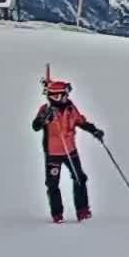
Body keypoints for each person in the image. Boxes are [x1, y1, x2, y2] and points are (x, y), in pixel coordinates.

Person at [32, 74, 105, 223]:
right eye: (64, 94)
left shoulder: (70, 108)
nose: (67, 97)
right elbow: (35, 126)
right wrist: (43, 119)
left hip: (70, 151)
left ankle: (82, 210)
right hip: (53, 153)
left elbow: (80, 121)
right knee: (52, 184)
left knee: (80, 178)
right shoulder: (46, 110)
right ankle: (57, 214)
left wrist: (94, 130)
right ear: (56, 96)